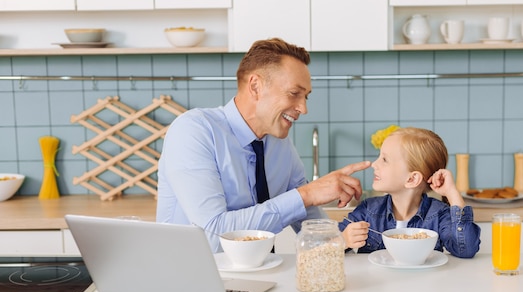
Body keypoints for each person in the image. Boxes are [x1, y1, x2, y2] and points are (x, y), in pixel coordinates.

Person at [157, 38, 370, 252]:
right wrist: (307, 194)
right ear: (256, 87)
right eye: (294, 93)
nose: (303, 108)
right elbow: (212, 236)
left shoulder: (280, 144)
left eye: (306, 97)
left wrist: (343, 239)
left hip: (257, 279)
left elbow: (309, 222)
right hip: (189, 279)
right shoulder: (194, 130)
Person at [339, 127, 480, 258]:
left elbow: (466, 250)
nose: (374, 164)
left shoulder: (439, 214)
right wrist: (343, 240)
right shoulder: (367, 211)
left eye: (384, 159)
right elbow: (324, 248)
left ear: (412, 179)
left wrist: (452, 192)